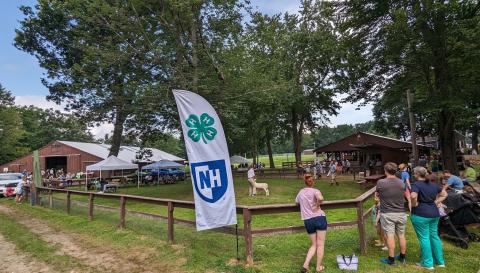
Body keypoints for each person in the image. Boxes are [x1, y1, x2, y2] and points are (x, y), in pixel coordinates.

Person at [410, 166, 448, 270]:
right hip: (434, 214)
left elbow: (413, 196)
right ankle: (440, 262)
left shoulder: (416, 185)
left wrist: (414, 204)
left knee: (424, 238)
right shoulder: (433, 185)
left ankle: (427, 264)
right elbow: (444, 194)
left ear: (417, 174)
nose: (413, 175)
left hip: (420, 214)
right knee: (434, 236)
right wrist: (436, 202)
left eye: (414, 173)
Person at [376, 162, 407, 265]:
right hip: (401, 213)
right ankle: (402, 257)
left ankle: (391, 259)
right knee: (401, 235)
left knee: (390, 236)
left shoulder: (381, 182)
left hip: (388, 213)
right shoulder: (402, 182)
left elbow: (377, 195)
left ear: (385, 171)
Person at [296, 174, 327, 272]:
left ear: (305, 182)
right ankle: (318, 267)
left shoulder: (300, 192)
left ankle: (305, 264)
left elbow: (296, 202)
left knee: (314, 244)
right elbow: (321, 198)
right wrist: (317, 205)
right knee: (320, 244)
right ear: (312, 182)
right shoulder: (315, 191)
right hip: (319, 218)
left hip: (307, 220)